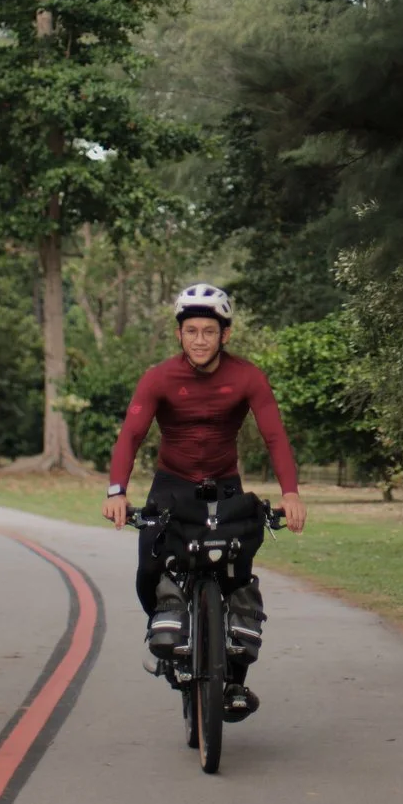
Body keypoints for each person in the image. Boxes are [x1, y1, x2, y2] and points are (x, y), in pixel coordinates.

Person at [104, 283, 307, 704]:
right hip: (172, 486)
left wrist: (291, 493)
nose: (200, 339)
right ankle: (163, 634)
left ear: (225, 335)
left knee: (237, 578)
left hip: (225, 486)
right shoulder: (158, 378)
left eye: (209, 332)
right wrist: (116, 491)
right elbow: (131, 435)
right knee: (149, 566)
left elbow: (274, 434)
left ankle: (233, 681)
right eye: (192, 331)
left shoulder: (247, 376)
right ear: (179, 334)